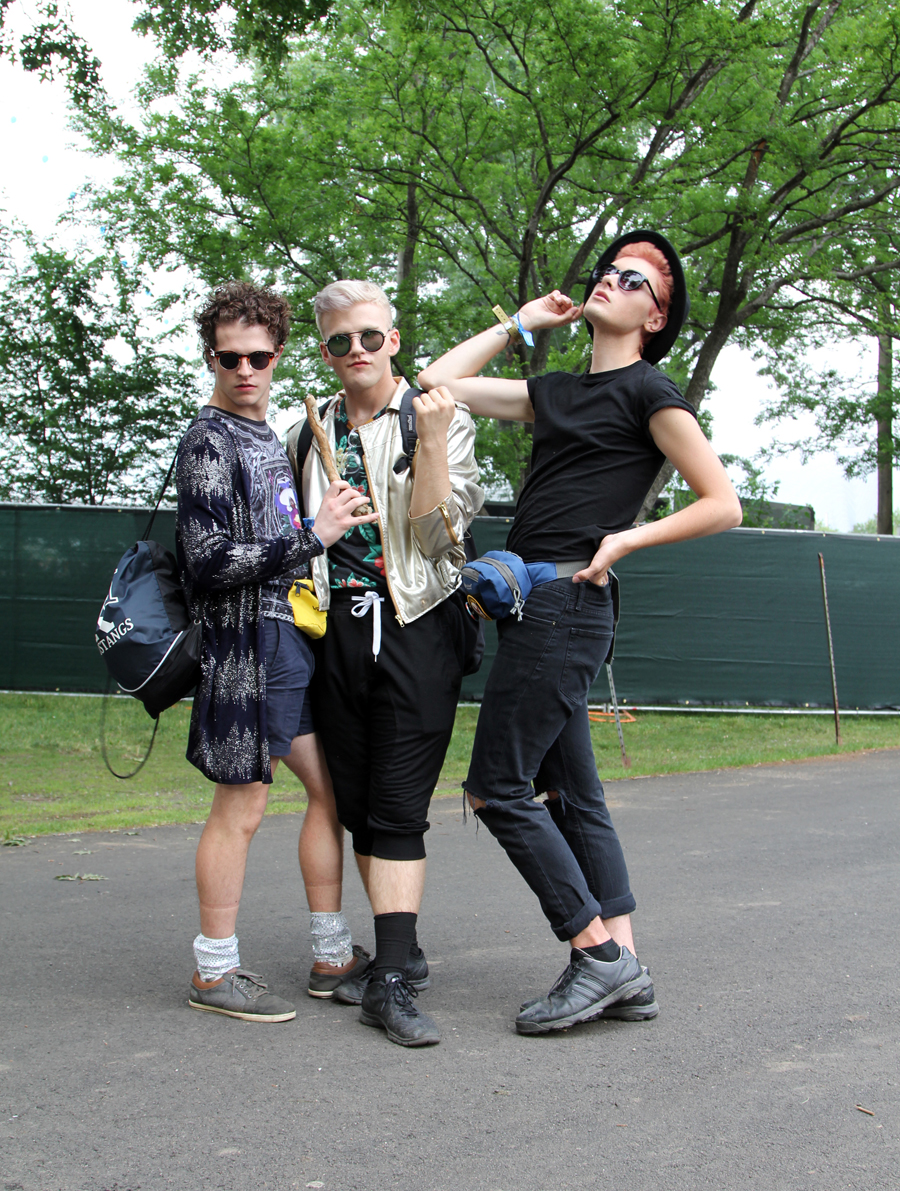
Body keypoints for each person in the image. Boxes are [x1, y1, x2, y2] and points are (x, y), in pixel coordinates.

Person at [417, 230, 743, 1035]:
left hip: (569, 601)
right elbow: (435, 382)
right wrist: (522, 322)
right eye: (609, 267)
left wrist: (629, 538)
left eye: (633, 276)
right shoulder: (554, 390)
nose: (611, 278)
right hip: (534, 604)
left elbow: (721, 502)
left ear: (654, 313)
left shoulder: (651, 393)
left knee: (496, 786)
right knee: (575, 795)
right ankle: (626, 965)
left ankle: (596, 956)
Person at [285, 280, 482, 1046]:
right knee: (360, 803)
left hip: (418, 626)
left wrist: (429, 441)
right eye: (340, 342)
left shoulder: (438, 415)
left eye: (370, 337)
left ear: (394, 340)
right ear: (327, 350)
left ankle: (390, 980)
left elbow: (440, 539)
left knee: (399, 806)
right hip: (334, 633)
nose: (357, 352)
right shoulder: (308, 430)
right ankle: (403, 950)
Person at [177, 281, 379, 1022]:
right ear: (212, 358)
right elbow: (206, 561)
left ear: (277, 354)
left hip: (287, 641)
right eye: (229, 357)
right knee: (242, 803)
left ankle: (330, 955)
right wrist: (312, 537)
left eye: (258, 356)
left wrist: (328, 531)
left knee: (327, 788)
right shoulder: (210, 438)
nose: (244, 370)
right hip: (244, 646)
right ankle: (214, 969)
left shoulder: (266, 436)